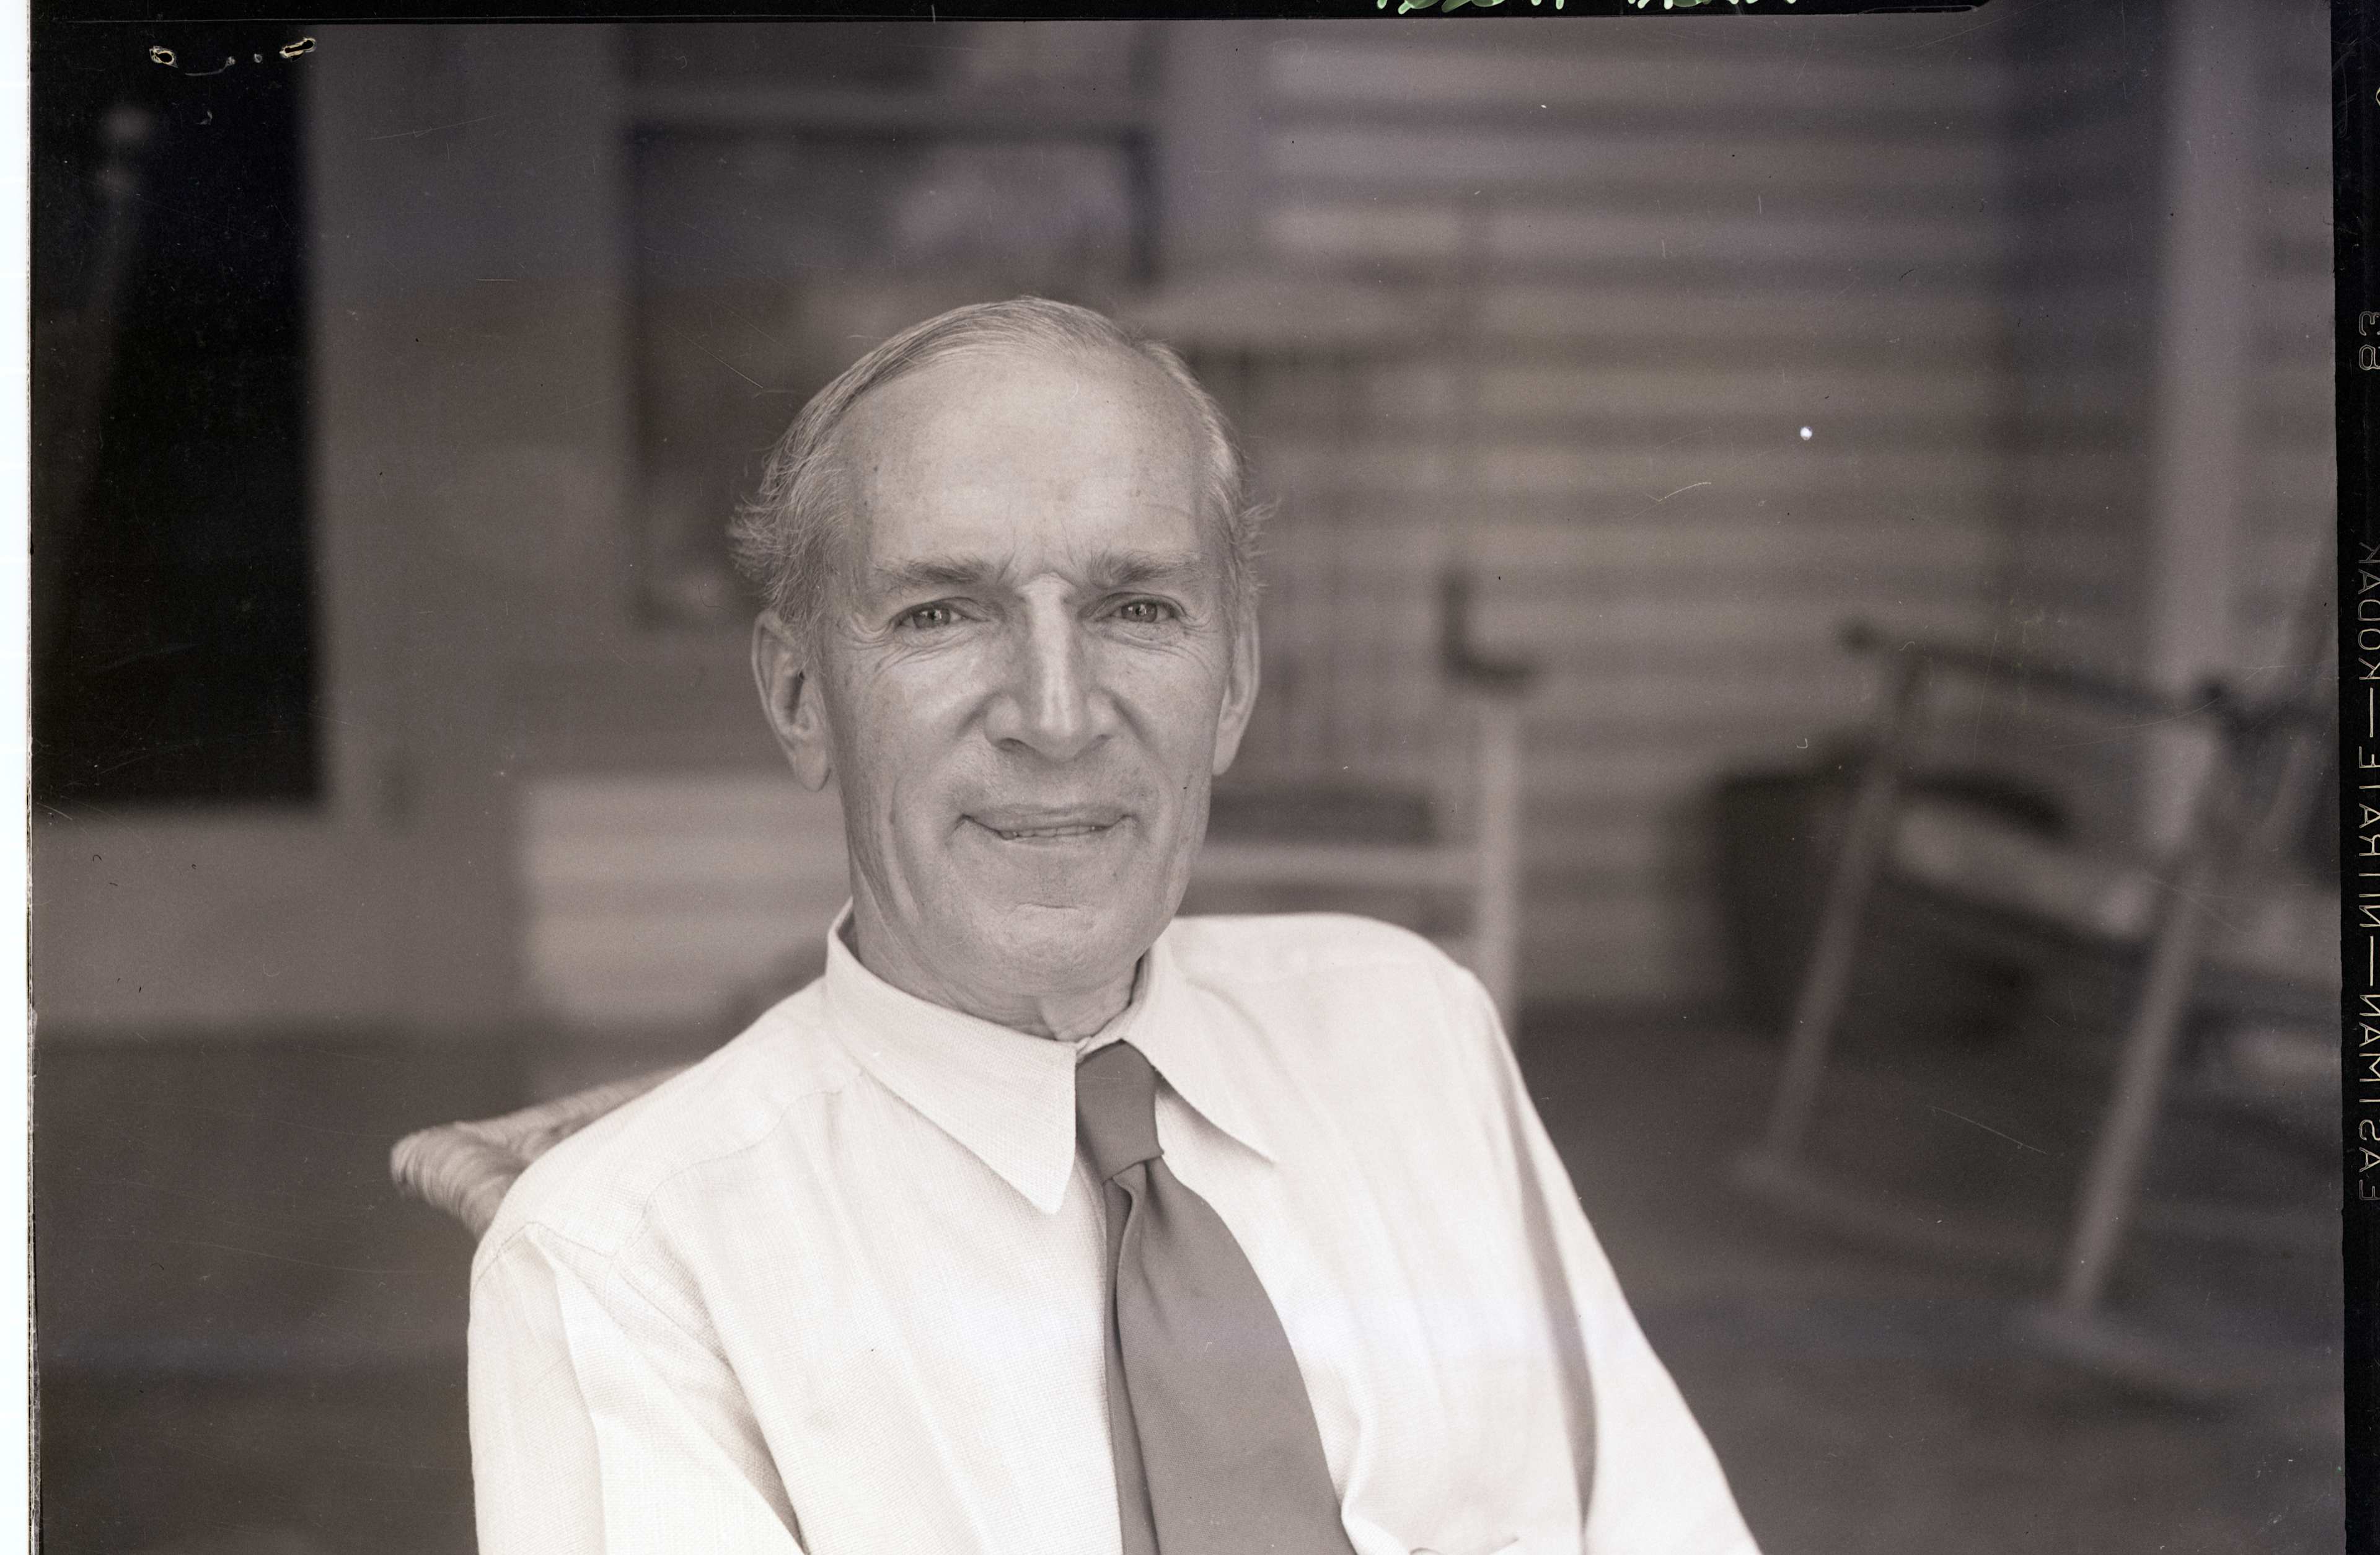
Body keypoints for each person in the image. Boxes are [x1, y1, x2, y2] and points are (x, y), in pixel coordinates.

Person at [468, 297, 1759, 1555]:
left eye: (1136, 608)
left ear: (1234, 683)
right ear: (802, 697)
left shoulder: (1412, 1027)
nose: (1058, 714)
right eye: (941, 612)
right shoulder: (625, 1260)